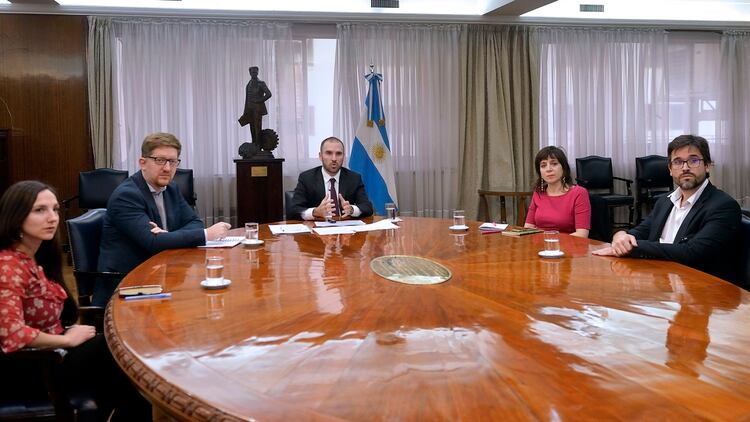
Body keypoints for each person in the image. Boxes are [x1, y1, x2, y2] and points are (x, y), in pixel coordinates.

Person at [0, 181, 151, 421]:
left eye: (55, 209)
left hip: (52, 356)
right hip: (34, 368)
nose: (52, 218)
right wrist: (66, 339)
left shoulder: (32, 258)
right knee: (124, 358)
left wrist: (67, 333)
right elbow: (11, 334)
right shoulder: (8, 266)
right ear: (16, 217)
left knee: (130, 374)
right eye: (40, 210)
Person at [97, 132, 230, 305]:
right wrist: (206, 234)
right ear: (142, 163)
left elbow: (193, 222)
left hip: (161, 274)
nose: (167, 168)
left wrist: (165, 237)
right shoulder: (126, 196)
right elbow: (152, 243)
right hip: (127, 285)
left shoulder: (171, 188)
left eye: (172, 161)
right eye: (160, 161)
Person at [593, 135, 742, 285]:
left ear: (707, 165)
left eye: (693, 160)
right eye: (677, 162)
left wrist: (632, 247)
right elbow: (641, 231)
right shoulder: (664, 201)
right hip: (665, 282)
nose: (685, 167)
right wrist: (620, 236)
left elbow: (692, 252)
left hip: (704, 290)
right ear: (670, 169)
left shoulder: (723, 206)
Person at [288, 136, 373, 221]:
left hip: (346, 230)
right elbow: (293, 211)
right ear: (320, 156)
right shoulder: (307, 178)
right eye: (329, 153)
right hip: (316, 230)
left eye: (338, 154)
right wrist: (315, 212)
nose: (334, 159)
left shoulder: (354, 178)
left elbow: (367, 208)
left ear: (343, 156)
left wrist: (351, 209)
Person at [524, 146, 591, 238]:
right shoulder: (538, 192)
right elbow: (528, 228)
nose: (548, 169)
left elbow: (582, 235)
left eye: (554, 164)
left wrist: (550, 241)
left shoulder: (579, 193)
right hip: (538, 247)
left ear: (564, 168)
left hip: (567, 247)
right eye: (543, 165)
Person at [238, 66, 272, 144]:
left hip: (258, 108)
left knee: (257, 126)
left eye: (255, 72)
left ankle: (258, 145)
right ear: (250, 73)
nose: (254, 74)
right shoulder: (248, 84)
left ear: (257, 72)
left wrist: (259, 100)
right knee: (252, 126)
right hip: (250, 109)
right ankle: (254, 143)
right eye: (252, 72)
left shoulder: (261, 83)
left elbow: (269, 94)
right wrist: (245, 111)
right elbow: (246, 99)